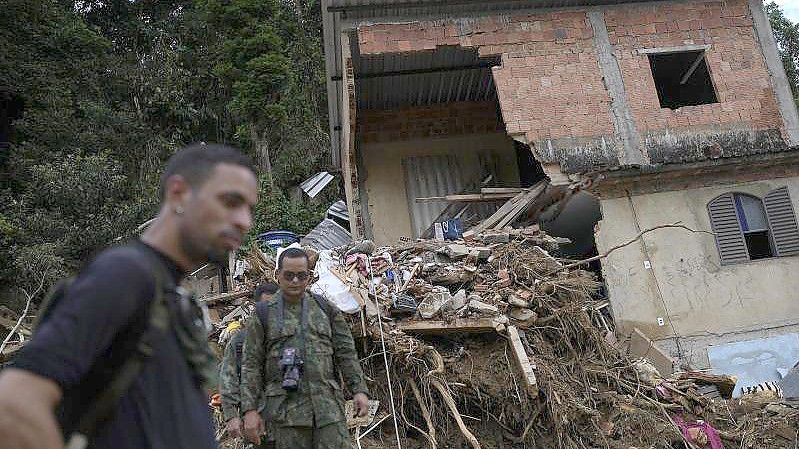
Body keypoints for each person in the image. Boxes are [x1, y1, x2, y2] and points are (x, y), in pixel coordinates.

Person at [0, 143, 259, 449]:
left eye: (249, 209)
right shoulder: (126, 274)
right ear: (179, 194)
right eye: (231, 202)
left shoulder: (175, 298)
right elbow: (14, 408)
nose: (244, 221)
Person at [240, 248, 370, 449]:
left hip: (327, 412)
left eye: (301, 276)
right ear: (278, 276)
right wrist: (249, 410)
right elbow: (251, 365)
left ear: (309, 276)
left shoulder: (326, 309)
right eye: (289, 275)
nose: (295, 281)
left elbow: (346, 352)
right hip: (285, 415)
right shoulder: (263, 314)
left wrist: (359, 390)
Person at [219, 282, 279, 440]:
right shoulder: (240, 342)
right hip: (258, 426)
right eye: (266, 305)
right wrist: (231, 416)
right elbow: (228, 380)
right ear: (256, 307)